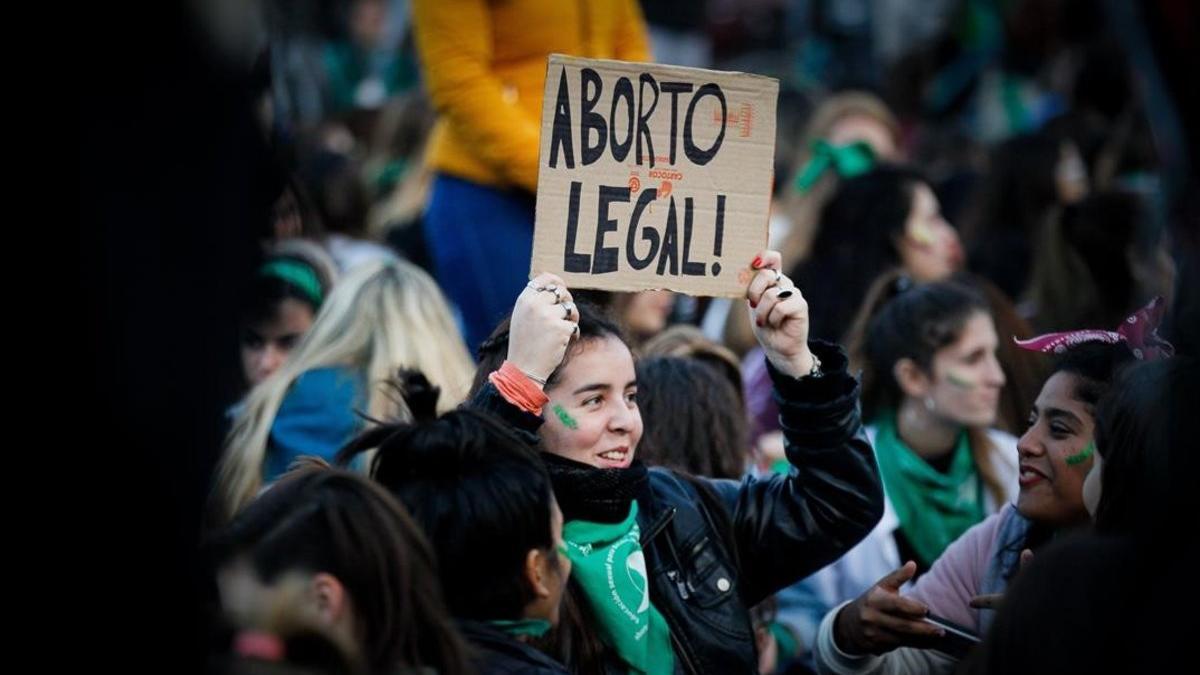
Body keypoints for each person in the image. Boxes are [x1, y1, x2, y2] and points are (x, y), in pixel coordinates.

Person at [473, 249, 884, 674]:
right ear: (530, 407)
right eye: (594, 400)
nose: (626, 422)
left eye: (631, 396)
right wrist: (513, 389)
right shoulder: (498, 545)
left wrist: (796, 363)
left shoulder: (684, 508)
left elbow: (840, 502)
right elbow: (462, 526)